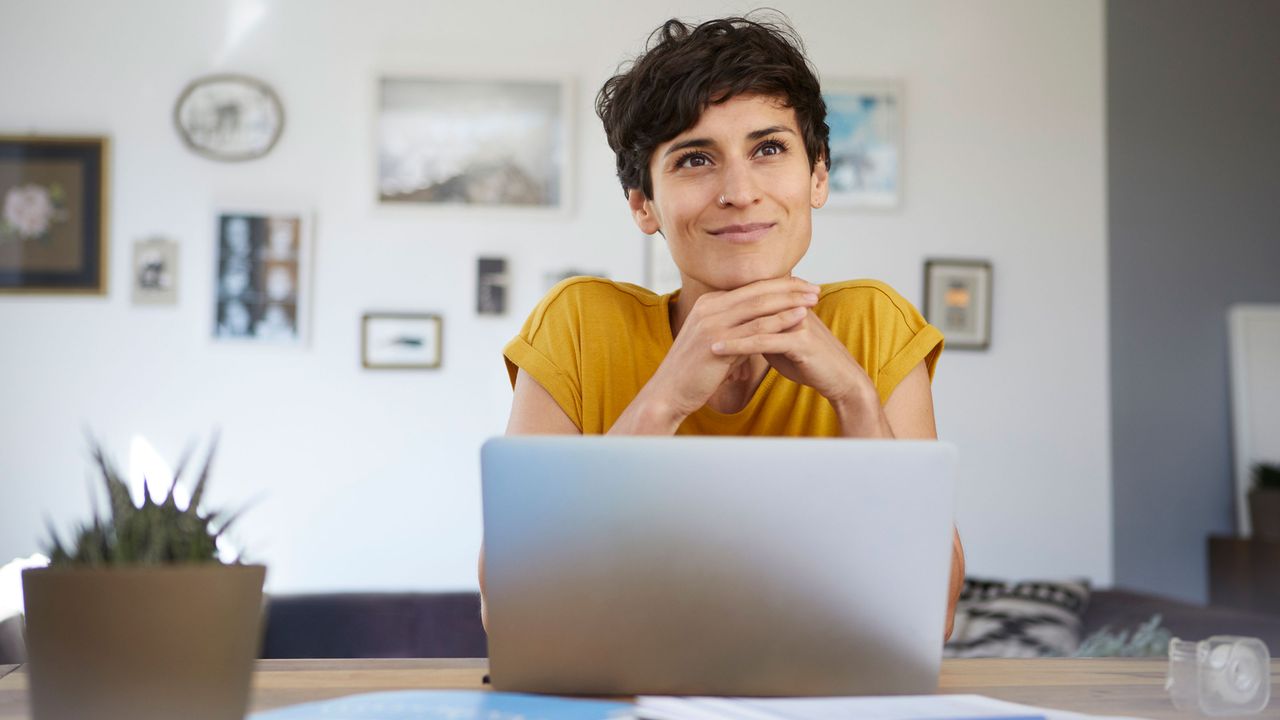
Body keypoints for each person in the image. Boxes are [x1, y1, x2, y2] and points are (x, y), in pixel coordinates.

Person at [481, 14, 964, 639]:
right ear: (643, 203)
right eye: (694, 159)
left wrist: (855, 399)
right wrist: (664, 400)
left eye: (768, 149)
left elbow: (934, 614)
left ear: (817, 175)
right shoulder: (578, 325)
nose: (739, 191)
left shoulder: (874, 324)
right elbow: (512, 609)